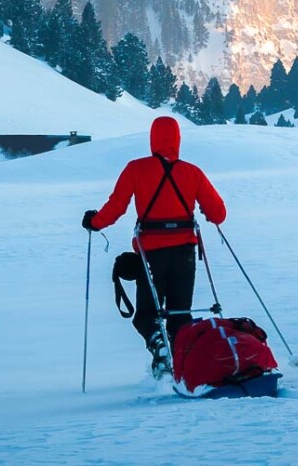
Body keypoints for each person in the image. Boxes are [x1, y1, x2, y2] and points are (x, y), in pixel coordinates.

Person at [82, 115, 226, 376]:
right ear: (178, 140)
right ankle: (182, 366)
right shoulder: (192, 172)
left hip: (151, 254)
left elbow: (116, 208)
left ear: (152, 139)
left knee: (147, 315)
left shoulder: (136, 169)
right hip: (186, 255)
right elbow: (218, 214)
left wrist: (95, 222)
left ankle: (159, 349)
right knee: (179, 314)